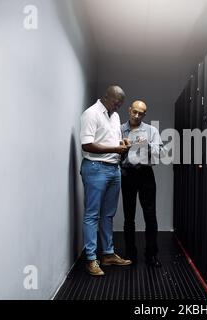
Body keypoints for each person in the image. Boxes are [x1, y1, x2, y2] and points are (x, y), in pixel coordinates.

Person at [80, 85, 133, 276]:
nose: (118, 106)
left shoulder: (115, 115)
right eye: (116, 102)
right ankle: (91, 259)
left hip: (113, 169)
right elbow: (87, 144)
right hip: (95, 168)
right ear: (105, 97)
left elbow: (113, 141)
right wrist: (114, 150)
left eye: (120, 104)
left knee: (108, 214)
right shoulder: (91, 114)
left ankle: (108, 254)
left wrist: (123, 144)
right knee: (92, 215)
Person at [121, 100, 164, 267]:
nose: (137, 116)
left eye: (141, 113)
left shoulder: (151, 130)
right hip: (127, 175)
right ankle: (130, 254)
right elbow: (114, 153)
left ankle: (151, 255)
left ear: (144, 115)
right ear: (129, 110)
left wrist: (145, 145)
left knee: (150, 216)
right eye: (135, 112)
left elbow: (160, 153)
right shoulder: (119, 129)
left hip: (146, 175)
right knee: (128, 217)